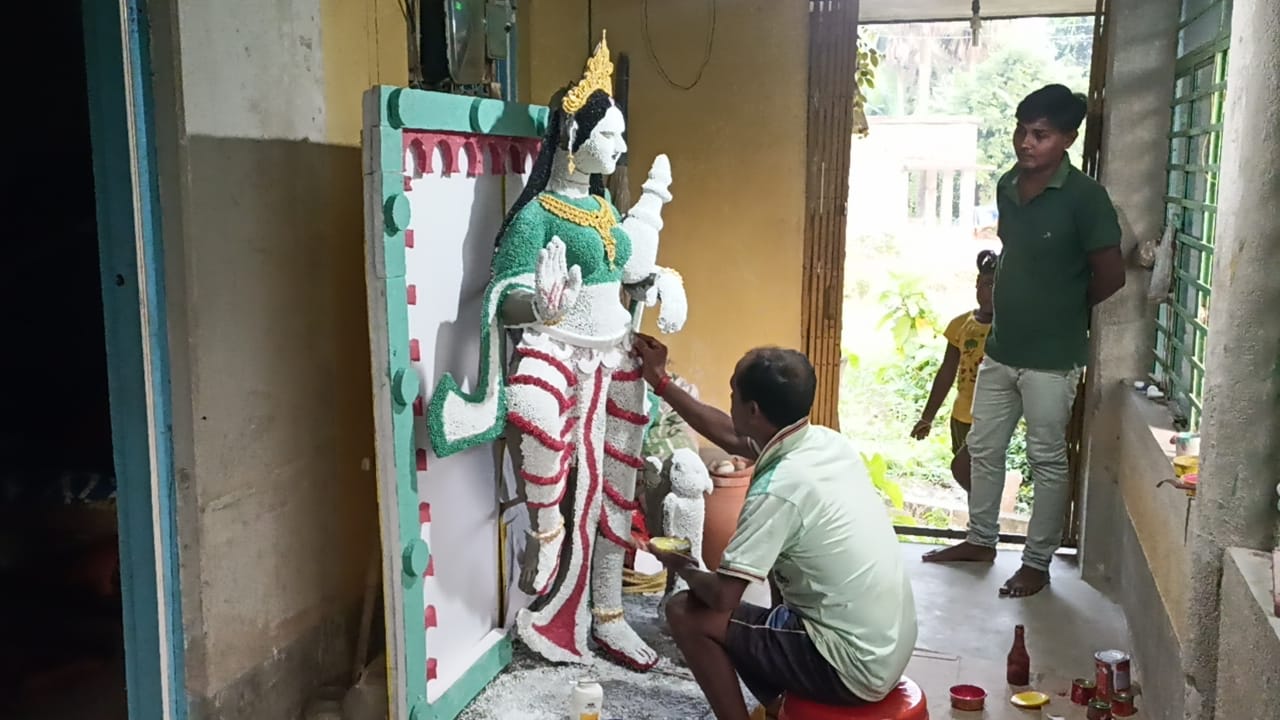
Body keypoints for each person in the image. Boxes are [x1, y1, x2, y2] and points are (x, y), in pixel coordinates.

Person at [633, 334, 917, 720]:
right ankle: (783, 707)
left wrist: (681, 562)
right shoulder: (824, 443)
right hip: (887, 648)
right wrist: (661, 382)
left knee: (687, 610)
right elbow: (733, 435)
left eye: (732, 393)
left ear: (752, 410)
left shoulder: (777, 490)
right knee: (777, 591)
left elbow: (722, 599)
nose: (727, 401)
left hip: (850, 668)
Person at [923, 84, 1125, 598]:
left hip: (1053, 361)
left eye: (1041, 134)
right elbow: (1016, 252)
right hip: (1001, 349)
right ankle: (980, 540)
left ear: (1068, 140)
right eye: (1021, 131)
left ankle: (1036, 563)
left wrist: (1062, 312)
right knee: (983, 449)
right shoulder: (1008, 186)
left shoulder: (1086, 198)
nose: (1025, 143)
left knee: (1047, 460)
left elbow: (1111, 276)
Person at [910, 250, 998, 492]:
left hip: (993, 418)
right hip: (961, 416)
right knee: (971, 479)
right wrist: (927, 417)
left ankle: (984, 525)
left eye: (997, 285)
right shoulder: (960, 325)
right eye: (986, 283)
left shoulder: (1008, 329)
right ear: (977, 284)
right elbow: (947, 372)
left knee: (973, 473)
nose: (990, 292)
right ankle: (978, 525)